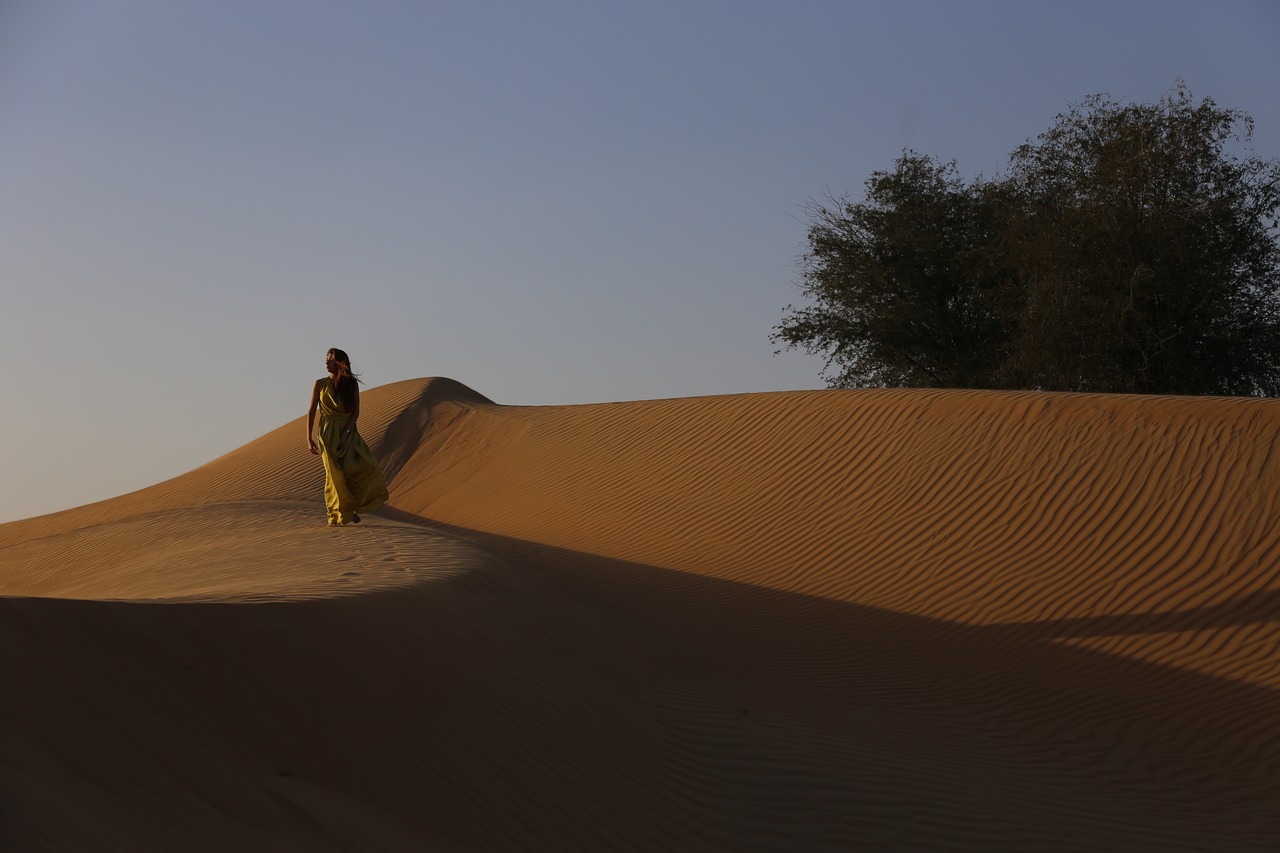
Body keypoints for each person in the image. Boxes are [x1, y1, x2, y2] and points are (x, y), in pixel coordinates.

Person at [306, 348, 389, 526]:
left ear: (340, 363)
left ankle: (353, 508)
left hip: (348, 431)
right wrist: (309, 438)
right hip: (327, 434)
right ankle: (336, 515)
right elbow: (312, 411)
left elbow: (356, 412)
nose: (326, 363)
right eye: (326, 359)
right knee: (333, 475)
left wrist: (346, 434)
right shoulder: (319, 384)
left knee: (361, 467)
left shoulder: (351, 384)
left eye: (331, 360)